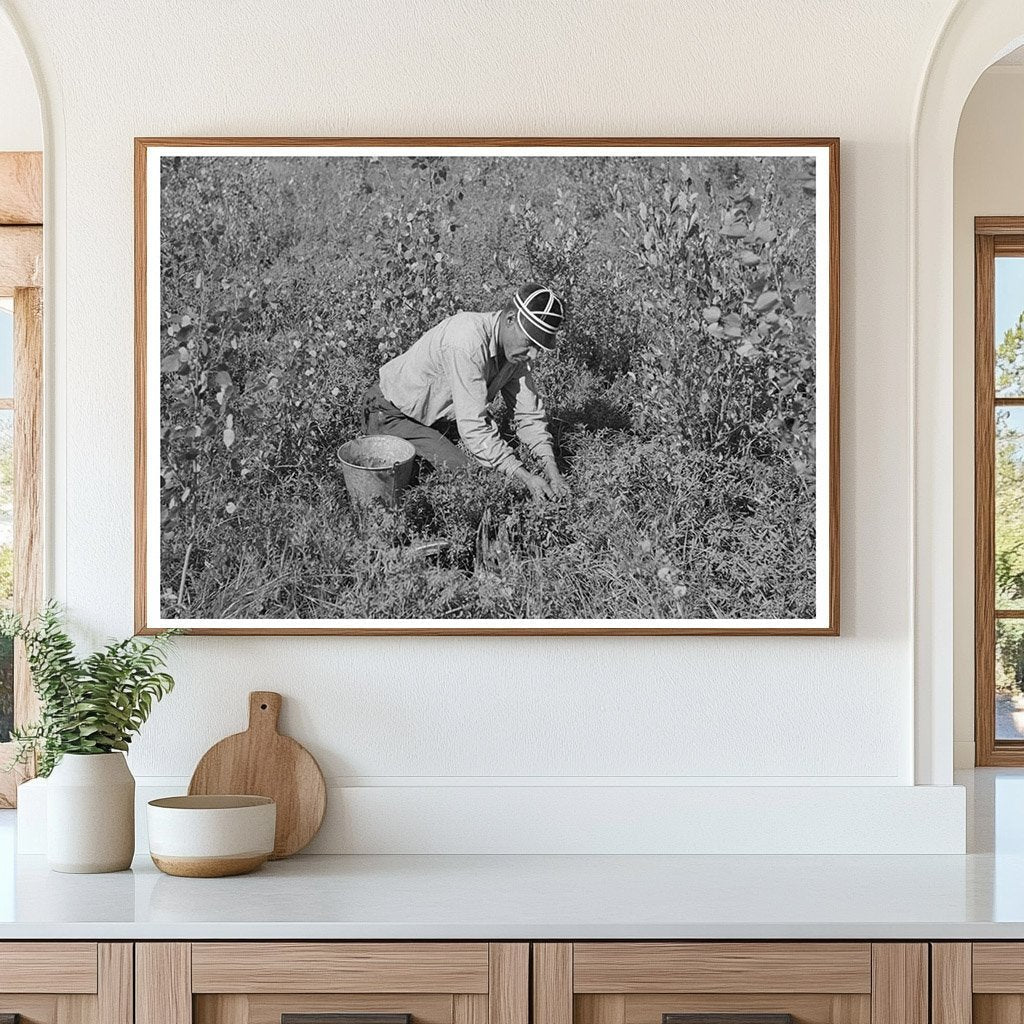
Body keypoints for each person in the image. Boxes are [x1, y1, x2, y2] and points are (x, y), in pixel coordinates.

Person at [361, 282, 570, 501]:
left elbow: (529, 417)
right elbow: (473, 426)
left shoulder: (516, 353)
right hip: (391, 414)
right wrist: (524, 476)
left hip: (434, 420)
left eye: (539, 347)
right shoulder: (466, 341)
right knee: (473, 479)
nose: (534, 355)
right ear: (510, 320)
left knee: (488, 464)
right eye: (530, 342)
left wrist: (551, 469)